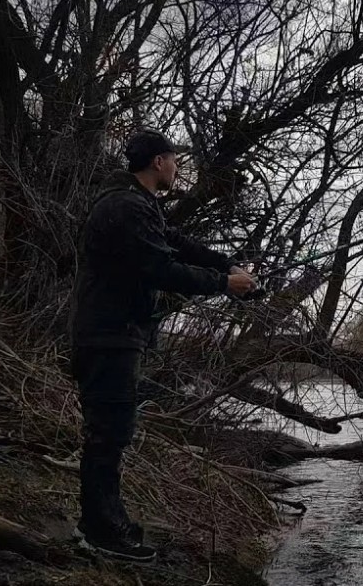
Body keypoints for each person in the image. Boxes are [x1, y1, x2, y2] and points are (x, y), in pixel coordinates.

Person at [68, 130, 256, 562]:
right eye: (174, 160)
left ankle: (104, 522)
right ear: (158, 162)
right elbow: (160, 268)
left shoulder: (138, 204)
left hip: (116, 335)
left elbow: (177, 243)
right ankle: (100, 531)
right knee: (107, 435)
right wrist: (225, 284)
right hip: (107, 336)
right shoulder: (124, 207)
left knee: (112, 433)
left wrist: (225, 263)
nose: (177, 167)